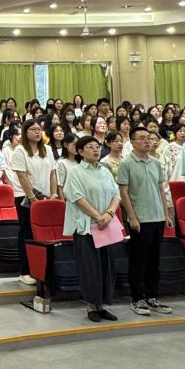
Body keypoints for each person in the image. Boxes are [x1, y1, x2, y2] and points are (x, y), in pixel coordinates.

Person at [62, 135, 119, 322]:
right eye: (90, 147)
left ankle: (101, 305)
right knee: (90, 267)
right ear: (80, 151)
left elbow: (116, 194)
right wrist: (97, 216)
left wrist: (109, 213)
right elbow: (77, 197)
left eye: (97, 146)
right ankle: (90, 306)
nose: (96, 150)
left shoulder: (105, 171)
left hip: (106, 225)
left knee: (106, 266)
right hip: (86, 227)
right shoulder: (75, 172)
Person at [117, 127, 172, 316]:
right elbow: (123, 192)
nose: (147, 141)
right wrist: (132, 217)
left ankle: (152, 296)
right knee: (138, 260)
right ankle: (137, 298)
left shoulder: (155, 162)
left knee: (154, 260)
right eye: (142, 138)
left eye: (149, 138)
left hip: (157, 217)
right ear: (132, 142)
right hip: (140, 219)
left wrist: (166, 214)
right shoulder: (126, 163)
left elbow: (160, 189)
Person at [10, 118, 57, 288]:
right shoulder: (20, 150)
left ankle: (43, 269)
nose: (37, 132)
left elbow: (53, 173)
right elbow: (21, 176)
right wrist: (32, 198)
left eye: (39, 129)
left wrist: (53, 193)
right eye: (33, 129)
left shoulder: (48, 150)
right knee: (27, 232)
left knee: (43, 234)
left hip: (45, 197)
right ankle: (25, 271)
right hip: (25, 197)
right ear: (26, 132)